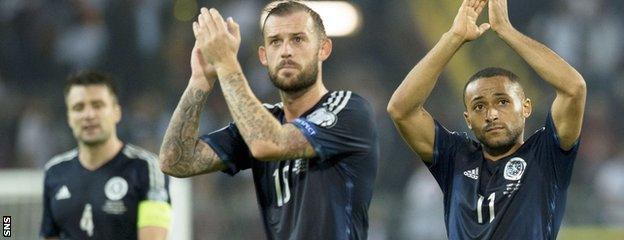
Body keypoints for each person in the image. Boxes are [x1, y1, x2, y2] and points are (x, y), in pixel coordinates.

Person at [159, 1, 378, 239]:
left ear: (323, 49)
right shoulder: (262, 121)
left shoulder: (349, 110)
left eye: (298, 39)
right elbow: (175, 161)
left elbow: (269, 144)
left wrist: (226, 63)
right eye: (275, 41)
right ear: (264, 55)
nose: (286, 51)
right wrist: (200, 81)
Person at [387, 0, 586, 239]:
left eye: (503, 102)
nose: (491, 114)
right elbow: (401, 109)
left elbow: (574, 88)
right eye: (479, 106)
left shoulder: (546, 155)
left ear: (525, 108)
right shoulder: (455, 157)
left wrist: (506, 31)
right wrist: (454, 37)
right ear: (467, 119)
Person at [40, 71, 171, 240]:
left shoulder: (147, 168)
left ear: (117, 112)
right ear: (69, 118)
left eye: (97, 105)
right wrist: (6, 231)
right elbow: (48, 235)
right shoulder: (55, 172)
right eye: (78, 107)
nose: (89, 115)